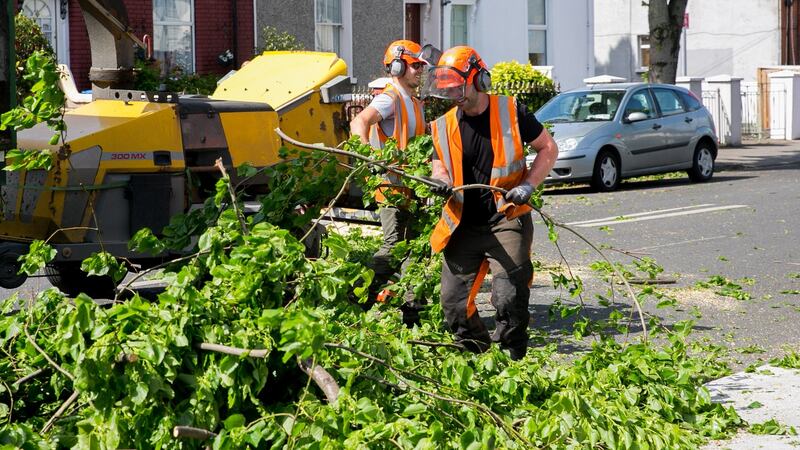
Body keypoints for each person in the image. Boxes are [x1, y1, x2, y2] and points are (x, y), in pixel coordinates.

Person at [420, 46, 558, 360]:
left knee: (509, 296)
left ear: (480, 79)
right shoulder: (443, 125)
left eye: (458, 86)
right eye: (448, 89)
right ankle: (479, 357)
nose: (454, 94)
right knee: (454, 304)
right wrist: (440, 179)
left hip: (506, 215)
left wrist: (528, 185)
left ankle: (511, 358)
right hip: (463, 222)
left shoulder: (511, 111)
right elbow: (438, 162)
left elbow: (548, 148)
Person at [349, 39, 428, 324]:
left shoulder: (414, 101)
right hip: (391, 187)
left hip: (411, 188)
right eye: (415, 65)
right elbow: (360, 121)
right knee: (394, 246)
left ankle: (413, 311)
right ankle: (357, 296)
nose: (420, 70)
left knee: (413, 249)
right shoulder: (390, 97)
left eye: (422, 65)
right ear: (398, 65)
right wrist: (368, 155)